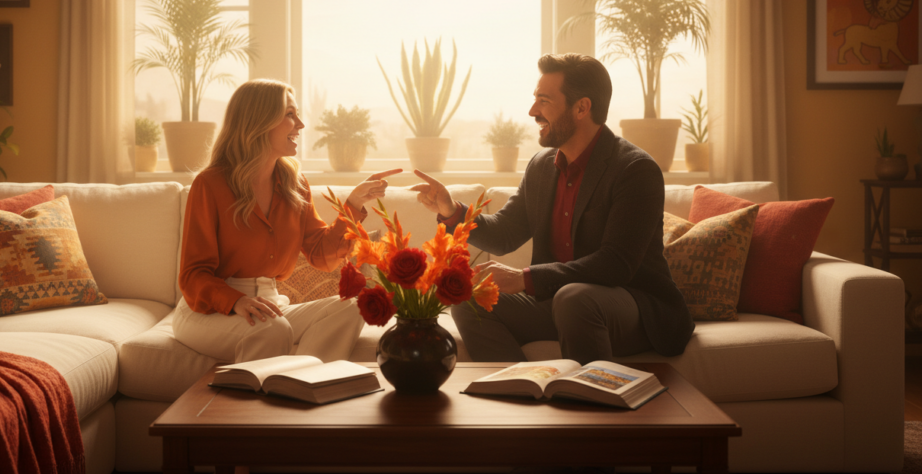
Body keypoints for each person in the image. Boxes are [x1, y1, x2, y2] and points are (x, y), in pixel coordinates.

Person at [412, 53, 693, 364]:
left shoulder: (634, 169)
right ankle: (517, 390)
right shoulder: (542, 166)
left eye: (544, 101)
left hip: (632, 308)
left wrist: (524, 278)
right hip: (559, 302)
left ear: (582, 108)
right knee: (469, 298)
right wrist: (451, 211)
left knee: (574, 299)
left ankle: (590, 403)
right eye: (535, 99)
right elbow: (505, 233)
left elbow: (617, 263)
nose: (533, 111)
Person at [173, 79, 400, 364]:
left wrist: (353, 204)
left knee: (354, 307)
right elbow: (193, 275)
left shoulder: (294, 183)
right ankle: (278, 391)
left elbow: (321, 256)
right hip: (209, 311)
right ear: (259, 121)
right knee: (272, 329)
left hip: (270, 304)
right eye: (290, 114)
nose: (301, 124)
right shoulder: (210, 184)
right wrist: (236, 301)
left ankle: (304, 382)